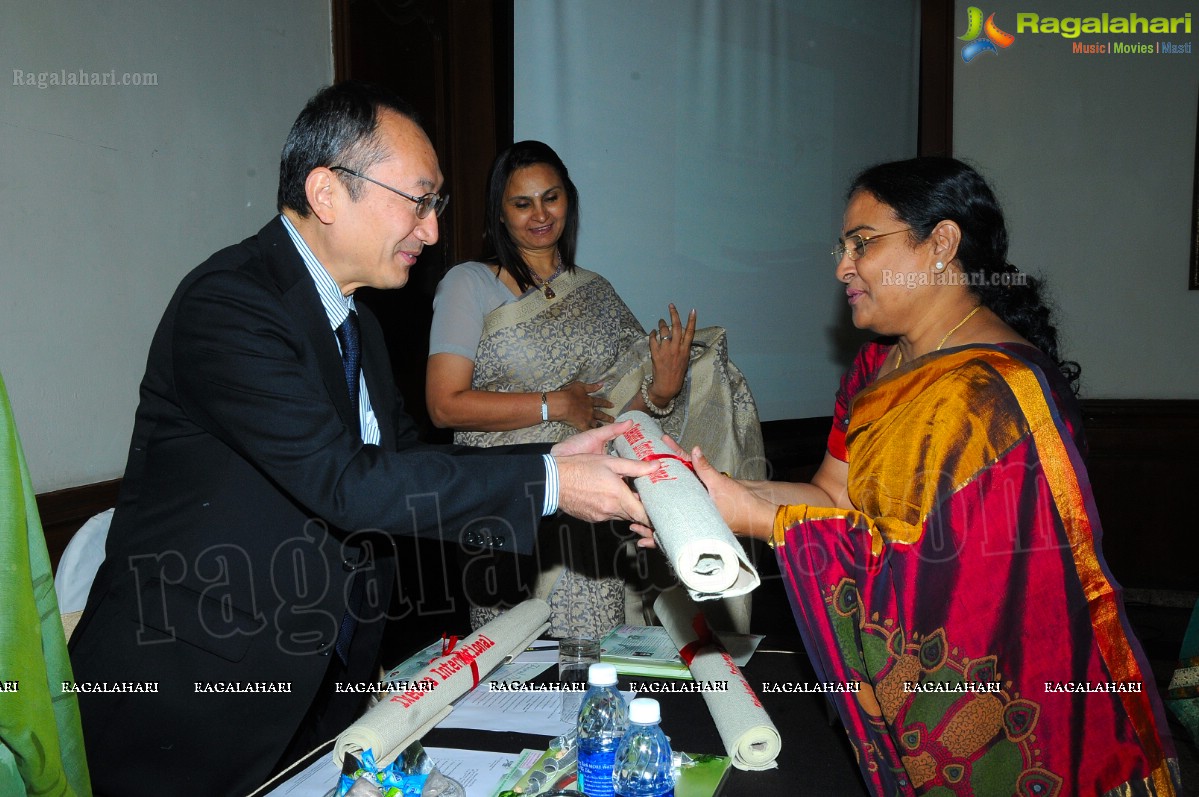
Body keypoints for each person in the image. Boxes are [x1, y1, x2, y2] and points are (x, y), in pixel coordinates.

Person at [67, 82, 654, 797]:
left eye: (435, 206)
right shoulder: (229, 305)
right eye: (419, 200)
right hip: (197, 697)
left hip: (321, 688)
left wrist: (550, 458)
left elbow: (405, 464)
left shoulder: (359, 325)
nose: (432, 231)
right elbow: (345, 483)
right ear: (326, 192)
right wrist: (555, 485)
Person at [673, 157, 1181, 794]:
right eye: (843, 246)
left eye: (863, 243)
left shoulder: (994, 394)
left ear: (941, 243)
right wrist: (707, 493)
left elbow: (930, 581)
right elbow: (833, 497)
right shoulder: (878, 367)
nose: (842, 267)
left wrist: (757, 519)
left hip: (1019, 699)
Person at [425, 140, 762, 638]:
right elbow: (443, 405)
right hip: (515, 500)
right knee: (519, 673)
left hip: (589, 515)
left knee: (594, 665)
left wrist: (661, 394)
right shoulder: (470, 283)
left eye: (551, 197)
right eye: (522, 203)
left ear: (570, 200)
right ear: (499, 213)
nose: (540, 214)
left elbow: (610, 416)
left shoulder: (596, 292)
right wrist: (553, 404)